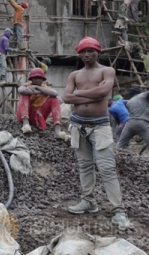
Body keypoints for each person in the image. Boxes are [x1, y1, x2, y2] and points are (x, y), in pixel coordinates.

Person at [63, 37, 132, 230]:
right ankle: (88, 201)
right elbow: (66, 97)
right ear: (79, 53)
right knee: (84, 166)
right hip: (78, 125)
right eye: (83, 51)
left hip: (100, 125)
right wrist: (90, 93)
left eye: (91, 51)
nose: (87, 55)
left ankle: (118, 210)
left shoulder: (106, 71)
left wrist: (77, 94)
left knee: (107, 168)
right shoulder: (74, 74)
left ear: (98, 52)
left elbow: (104, 92)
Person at [18, 68, 68, 140]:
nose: (38, 79)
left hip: (38, 115)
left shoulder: (46, 87)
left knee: (54, 99)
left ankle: (58, 131)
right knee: (24, 94)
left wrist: (38, 88)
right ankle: (26, 124)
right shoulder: (26, 85)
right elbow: (21, 90)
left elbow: (55, 93)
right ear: (31, 79)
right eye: (35, 78)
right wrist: (36, 91)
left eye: (40, 78)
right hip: (25, 114)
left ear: (43, 79)